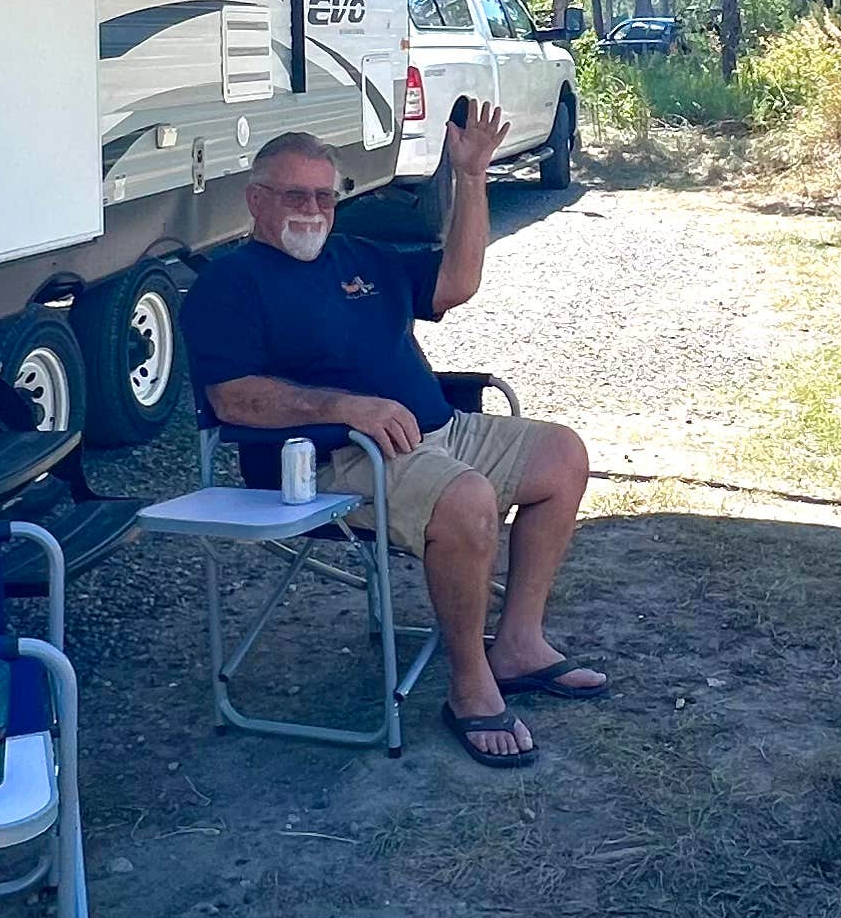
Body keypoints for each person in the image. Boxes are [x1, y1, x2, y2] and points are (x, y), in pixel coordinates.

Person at [183, 108, 602, 769]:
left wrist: (471, 177)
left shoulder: (363, 257)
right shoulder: (228, 284)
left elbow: (456, 283)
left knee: (562, 454)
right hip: (334, 457)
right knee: (465, 499)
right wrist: (345, 406)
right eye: (294, 196)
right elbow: (232, 398)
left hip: (438, 431)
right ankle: (470, 686)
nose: (313, 210)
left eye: (324, 196)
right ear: (255, 200)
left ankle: (518, 644)